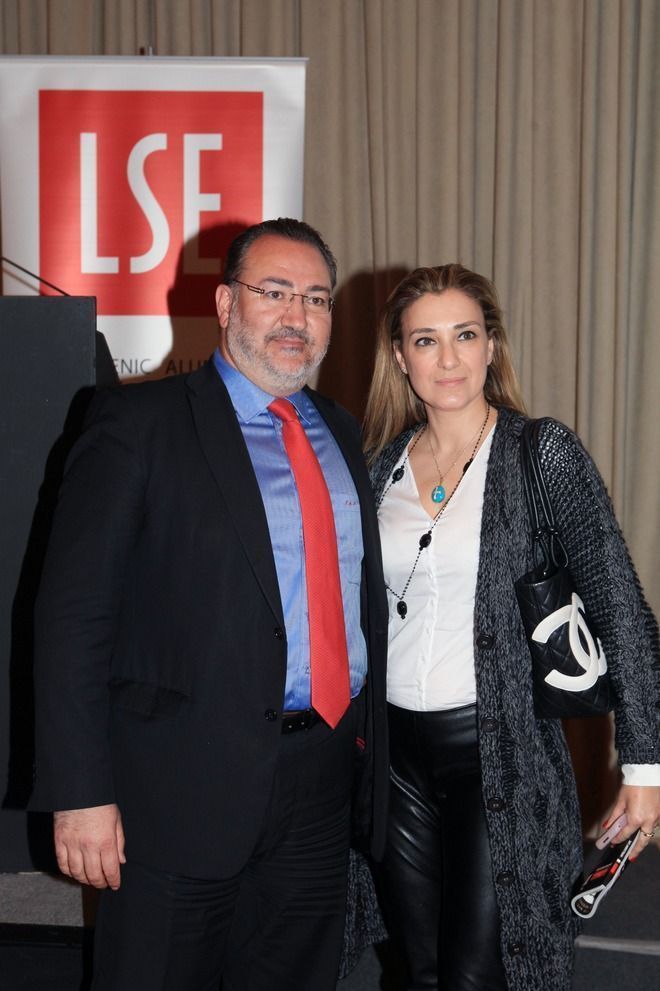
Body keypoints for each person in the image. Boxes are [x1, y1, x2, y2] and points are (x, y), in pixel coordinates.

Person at [31, 218, 388, 990]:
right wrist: (80, 794)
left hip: (320, 784)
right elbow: (73, 617)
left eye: (316, 298)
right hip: (176, 792)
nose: (297, 316)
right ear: (226, 304)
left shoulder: (341, 430)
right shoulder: (138, 424)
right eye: (275, 292)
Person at [362, 263, 660, 990]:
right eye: (426, 341)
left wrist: (645, 766)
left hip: (497, 752)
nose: (449, 358)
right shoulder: (379, 468)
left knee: (480, 974)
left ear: (492, 345)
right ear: (400, 357)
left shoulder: (540, 453)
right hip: (393, 757)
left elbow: (621, 606)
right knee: (420, 970)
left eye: (465, 335)